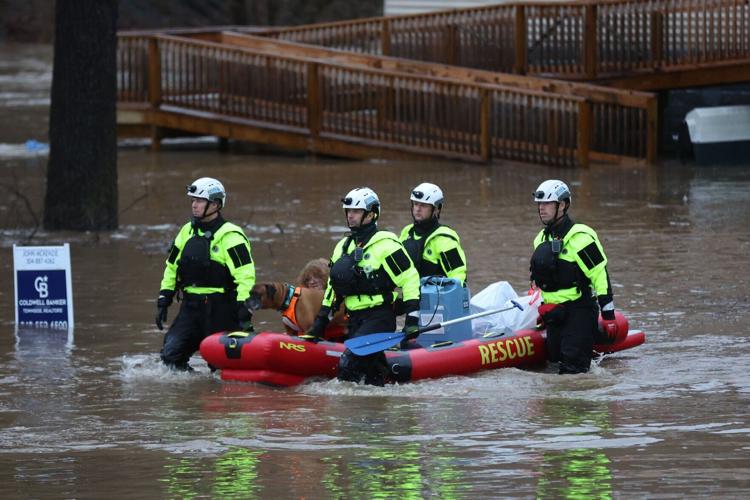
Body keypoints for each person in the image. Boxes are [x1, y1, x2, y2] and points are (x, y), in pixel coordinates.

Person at [307, 187, 421, 385]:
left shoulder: (386, 244)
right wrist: (321, 320)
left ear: (371, 214)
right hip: (355, 319)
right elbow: (334, 286)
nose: (350, 215)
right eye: (348, 211)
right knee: (372, 377)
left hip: (379, 317)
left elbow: (410, 278)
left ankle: (346, 413)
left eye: (356, 211)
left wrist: (412, 318)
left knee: (348, 365)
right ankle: (379, 409)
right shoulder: (343, 246)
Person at [155, 177, 256, 371]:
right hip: (190, 308)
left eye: (199, 201)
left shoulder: (231, 236)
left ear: (216, 204)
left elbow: (246, 275)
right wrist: (164, 299)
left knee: (221, 368)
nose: (194, 205)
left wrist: (245, 307)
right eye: (193, 201)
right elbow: (172, 267)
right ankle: (193, 394)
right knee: (170, 357)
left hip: (221, 308)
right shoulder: (186, 231)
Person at [529, 179, 619, 374]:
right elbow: (543, 281)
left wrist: (608, 314)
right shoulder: (541, 239)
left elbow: (599, 275)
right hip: (554, 315)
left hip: (579, 311)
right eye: (539, 205)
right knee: (553, 366)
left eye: (546, 204)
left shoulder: (581, 237)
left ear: (562, 205)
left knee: (573, 373)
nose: (541, 209)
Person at [399, 182, 467, 284]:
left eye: (424, 205)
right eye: (415, 204)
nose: (417, 209)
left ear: (436, 209)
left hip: (438, 298)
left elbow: (459, 276)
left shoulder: (445, 239)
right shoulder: (407, 231)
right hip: (411, 297)